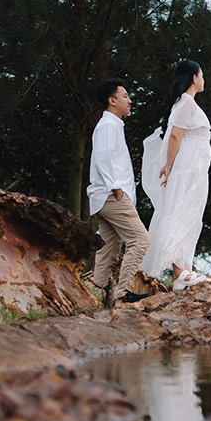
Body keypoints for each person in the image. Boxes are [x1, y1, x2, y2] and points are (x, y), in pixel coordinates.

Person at [140, 60, 211, 289]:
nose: (204, 79)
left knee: (190, 214)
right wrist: (169, 166)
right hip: (187, 167)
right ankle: (179, 272)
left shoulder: (186, 102)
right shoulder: (186, 102)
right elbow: (175, 135)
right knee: (180, 211)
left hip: (195, 168)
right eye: (202, 75)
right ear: (194, 77)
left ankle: (183, 270)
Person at [88, 78, 150, 304]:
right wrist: (115, 186)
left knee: (109, 249)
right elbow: (102, 156)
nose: (129, 100)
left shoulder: (112, 124)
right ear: (112, 100)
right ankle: (123, 293)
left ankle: (97, 297)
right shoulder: (108, 125)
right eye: (125, 96)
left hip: (104, 196)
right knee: (140, 240)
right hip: (111, 195)